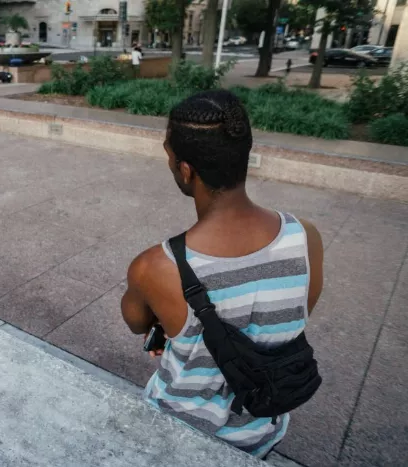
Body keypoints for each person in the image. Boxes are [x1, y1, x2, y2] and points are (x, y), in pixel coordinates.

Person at [121, 90, 324, 458]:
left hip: (177, 431)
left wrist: (172, 326)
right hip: (260, 434)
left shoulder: (156, 266)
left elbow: (137, 323)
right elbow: (293, 317)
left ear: (186, 170)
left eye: (170, 158)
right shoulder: (304, 237)